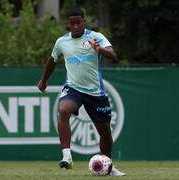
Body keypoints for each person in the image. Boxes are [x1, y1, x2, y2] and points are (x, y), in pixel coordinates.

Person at [37, 7, 125, 176]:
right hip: (73, 88)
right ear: (68, 24)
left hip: (95, 93)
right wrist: (43, 80)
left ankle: (107, 166)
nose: (76, 26)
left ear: (85, 21)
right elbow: (52, 60)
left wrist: (99, 49)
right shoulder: (61, 42)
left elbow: (113, 55)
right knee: (63, 110)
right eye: (72, 23)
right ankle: (67, 156)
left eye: (79, 22)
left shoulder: (96, 37)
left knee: (105, 132)